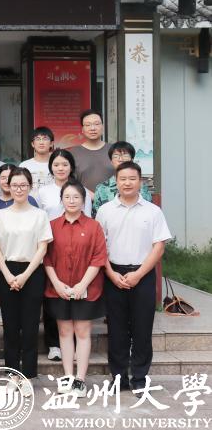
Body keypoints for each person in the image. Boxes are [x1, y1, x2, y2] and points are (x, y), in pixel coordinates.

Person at [96, 161, 171, 392]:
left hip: (143, 274)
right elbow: (99, 247)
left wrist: (138, 274)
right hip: (113, 274)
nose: (127, 183)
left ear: (140, 181)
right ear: (116, 182)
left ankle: (140, 378)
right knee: (117, 329)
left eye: (132, 179)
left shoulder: (153, 211)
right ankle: (119, 378)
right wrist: (111, 273)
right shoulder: (105, 210)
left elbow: (159, 247)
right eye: (123, 179)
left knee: (142, 329)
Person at [44, 180, 108, 398]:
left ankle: (80, 379)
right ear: (61, 200)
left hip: (86, 288)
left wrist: (82, 285)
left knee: (82, 331)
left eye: (76, 197)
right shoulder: (52, 226)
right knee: (64, 332)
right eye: (67, 197)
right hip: (59, 287)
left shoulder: (93, 226)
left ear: (83, 200)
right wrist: (56, 283)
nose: (71, 201)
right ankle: (68, 376)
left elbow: (99, 257)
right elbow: (46, 257)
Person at [0, 167, 53, 389]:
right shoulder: (0, 215)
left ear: (30, 187)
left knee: (30, 327)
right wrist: (8, 275)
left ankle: (27, 375)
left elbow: (42, 248)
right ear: (8, 186)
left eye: (23, 185)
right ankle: (12, 374)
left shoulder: (39, 215)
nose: (19, 189)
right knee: (10, 327)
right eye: (14, 185)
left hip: (32, 271)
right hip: (6, 271)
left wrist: (25, 276)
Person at [92, 141, 151, 216]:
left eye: (125, 155)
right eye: (116, 156)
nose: (121, 159)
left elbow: (148, 210)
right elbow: (97, 216)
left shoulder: (141, 186)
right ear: (111, 162)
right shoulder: (102, 188)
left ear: (132, 160)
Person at [38, 149, 93, 220]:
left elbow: (88, 219)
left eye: (65, 165)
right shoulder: (42, 192)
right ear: (51, 167)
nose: (60, 168)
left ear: (71, 167)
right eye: (56, 165)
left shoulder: (82, 191)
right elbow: (39, 219)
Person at [67, 110, 113, 193]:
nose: (92, 128)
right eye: (88, 125)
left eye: (97, 124)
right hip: (83, 199)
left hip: (113, 200)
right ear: (82, 129)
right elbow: (69, 181)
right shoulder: (72, 153)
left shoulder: (114, 150)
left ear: (103, 127)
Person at [20, 127, 55, 197]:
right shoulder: (24, 166)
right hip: (30, 203)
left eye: (45, 139)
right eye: (38, 139)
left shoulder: (57, 165)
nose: (41, 142)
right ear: (32, 144)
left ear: (51, 143)